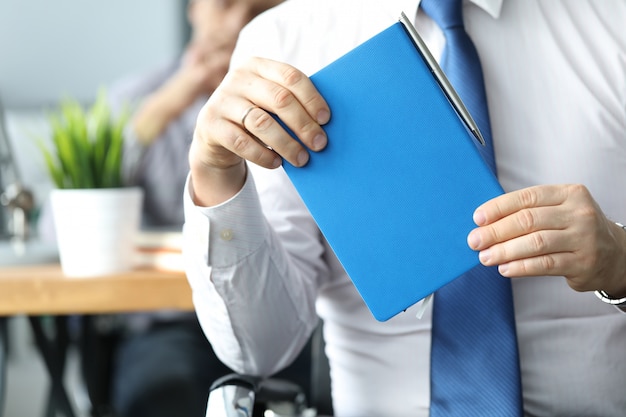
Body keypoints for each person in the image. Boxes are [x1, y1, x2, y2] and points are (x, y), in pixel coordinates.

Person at [182, 0, 626, 416]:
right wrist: (214, 173)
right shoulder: (282, 44)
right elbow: (261, 348)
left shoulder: (613, 23)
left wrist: (621, 262)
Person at [39, 1, 285, 416]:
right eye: (224, 4)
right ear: (193, 9)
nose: (238, 23)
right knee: (165, 391)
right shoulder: (134, 101)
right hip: (170, 327)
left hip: (281, 318)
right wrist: (174, 99)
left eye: (258, 9)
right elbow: (56, 229)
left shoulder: (300, 101)